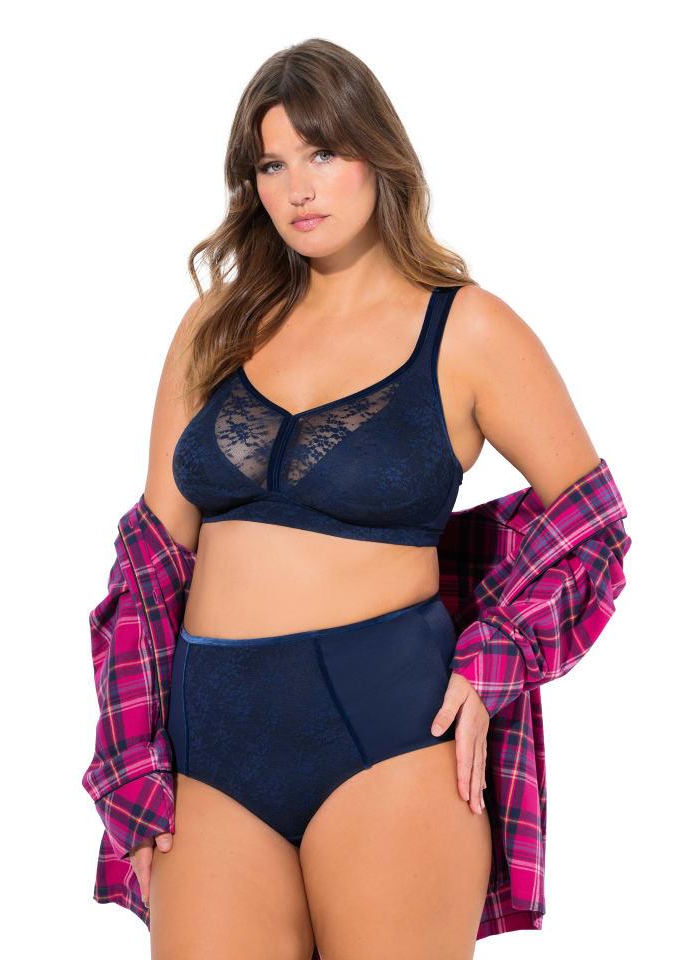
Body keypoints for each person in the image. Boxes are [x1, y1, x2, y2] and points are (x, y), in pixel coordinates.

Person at [85, 38, 631, 960]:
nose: (299, 188)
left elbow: (594, 527)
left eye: (323, 152)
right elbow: (148, 564)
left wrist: (495, 657)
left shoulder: (466, 328)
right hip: (208, 744)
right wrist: (131, 757)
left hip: (389, 735)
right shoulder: (215, 327)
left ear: (378, 156)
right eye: (272, 164)